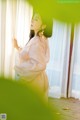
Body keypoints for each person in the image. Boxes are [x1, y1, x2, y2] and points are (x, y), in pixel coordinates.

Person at [13, 13, 50, 103]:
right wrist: (17, 47)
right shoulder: (42, 38)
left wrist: (24, 70)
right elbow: (29, 54)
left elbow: (41, 64)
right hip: (38, 77)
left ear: (43, 25)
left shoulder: (37, 41)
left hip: (34, 79)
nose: (32, 20)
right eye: (33, 18)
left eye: (36, 19)